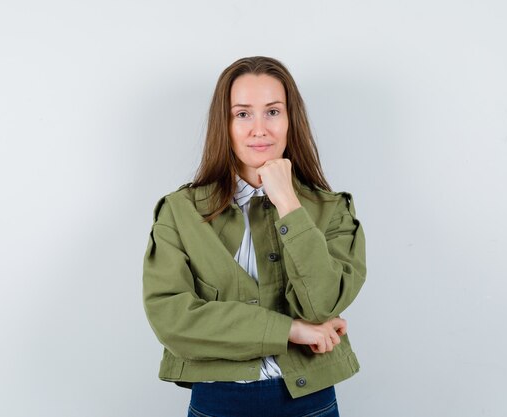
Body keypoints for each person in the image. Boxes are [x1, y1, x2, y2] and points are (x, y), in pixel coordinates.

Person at [142, 56, 366, 417]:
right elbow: (173, 320)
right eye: (243, 114)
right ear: (225, 124)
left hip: (310, 402)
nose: (259, 129)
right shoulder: (179, 212)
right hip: (218, 403)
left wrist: (289, 204)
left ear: (291, 120)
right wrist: (291, 330)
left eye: (273, 112)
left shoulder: (332, 209)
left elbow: (321, 304)